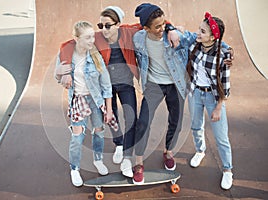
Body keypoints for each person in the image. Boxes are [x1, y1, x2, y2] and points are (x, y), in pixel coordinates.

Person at [55, 6, 180, 178]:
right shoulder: (98, 37)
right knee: (110, 116)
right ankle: (119, 144)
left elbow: (156, 22)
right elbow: (68, 45)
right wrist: (65, 68)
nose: (104, 30)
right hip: (107, 87)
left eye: (108, 25)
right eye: (101, 25)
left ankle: (127, 157)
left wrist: (171, 29)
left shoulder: (129, 32)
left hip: (126, 83)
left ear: (118, 24)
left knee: (131, 118)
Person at [132, 3, 198, 184]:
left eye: (163, 24)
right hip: (153, 85)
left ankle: (168, 152)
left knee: (175, 122)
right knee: (143, 121)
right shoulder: (138, 38)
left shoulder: (173, 35)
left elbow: (199, 37)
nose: (162, 28)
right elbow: (118, 29)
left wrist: (226, 50)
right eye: (158, 26)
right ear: (145, 28)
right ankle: (138, 162)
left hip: (176, 84)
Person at [55, 21, 114, 187]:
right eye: (88, 38)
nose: (92, 41)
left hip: (95, 100)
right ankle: (75, 169)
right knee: (77, 136)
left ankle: (98, 160)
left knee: (99, 131)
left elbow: (106, 86)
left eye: (93, 37)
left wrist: (108, 110)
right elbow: (56, 75)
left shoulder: (96, 57)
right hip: (78, 100)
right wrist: (63, 76)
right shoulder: (65, 56)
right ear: (76, 38)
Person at [186, 12, 233, 190]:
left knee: (221, 137)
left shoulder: (223, 56)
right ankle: (200, 150)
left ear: (213, 37)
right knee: (196, 126)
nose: (198, 33)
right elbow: (184, 36)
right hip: (196, 93)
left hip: (213, 98)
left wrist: (219, 107)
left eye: (203, 31)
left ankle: (227, 170)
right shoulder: (195, 47)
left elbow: (225, 85)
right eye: (199, 29)